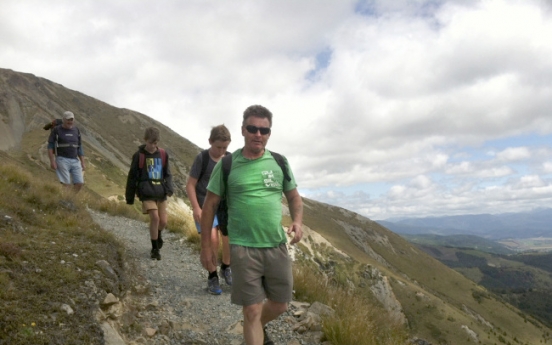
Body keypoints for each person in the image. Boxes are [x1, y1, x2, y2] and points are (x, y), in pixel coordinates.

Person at [200, 105, 303, 345]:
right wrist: (206, 247)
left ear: (269, 133)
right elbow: (209, 206)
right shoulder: (227, 165)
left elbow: (294, 197)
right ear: (243, 130)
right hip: (242, 247)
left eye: (264, 130)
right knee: (252, 311)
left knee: (279, 305)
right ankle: (253, 326)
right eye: (253, 128)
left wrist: (297, 221)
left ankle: (255, 327)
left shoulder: (279, 161)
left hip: (276, 245)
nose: (258, 134)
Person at [186, 125, 232, 295]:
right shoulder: (202, 159)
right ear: (210, 142)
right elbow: (190, 184)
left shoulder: (230, 160)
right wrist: (196, 208)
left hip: (224, 207)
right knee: (212, 240)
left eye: (225, 147)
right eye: (218, 147)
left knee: (229, 239)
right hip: (205, 206)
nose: (221, 151)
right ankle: (212, 276)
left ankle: (226, 267)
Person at [125, 127, 174, 260]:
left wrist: (169, 189)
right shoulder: (139, 156)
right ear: (145, 140)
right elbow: (132, 177)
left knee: (163, 221)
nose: (153, 146)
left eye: (156, 143)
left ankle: (157, 234)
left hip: (160, 192)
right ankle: (154, 249)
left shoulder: (163, 154)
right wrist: (129, 197)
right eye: (151, 142)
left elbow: (167, 173)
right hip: (146, 192)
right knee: (155, 218)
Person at [48, 111, 85, 192]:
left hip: (75, 160)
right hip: (62, 159)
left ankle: (71, 199)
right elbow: (50, 146)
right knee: (66, 184)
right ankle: (65, 201)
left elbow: (79, 147)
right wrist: (52, 161)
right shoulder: (56, 130)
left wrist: (82, 162)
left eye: (71, 119)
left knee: (79, 183)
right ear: (63, 120)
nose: (70, 121)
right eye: (68, 119)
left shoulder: (76, 130)